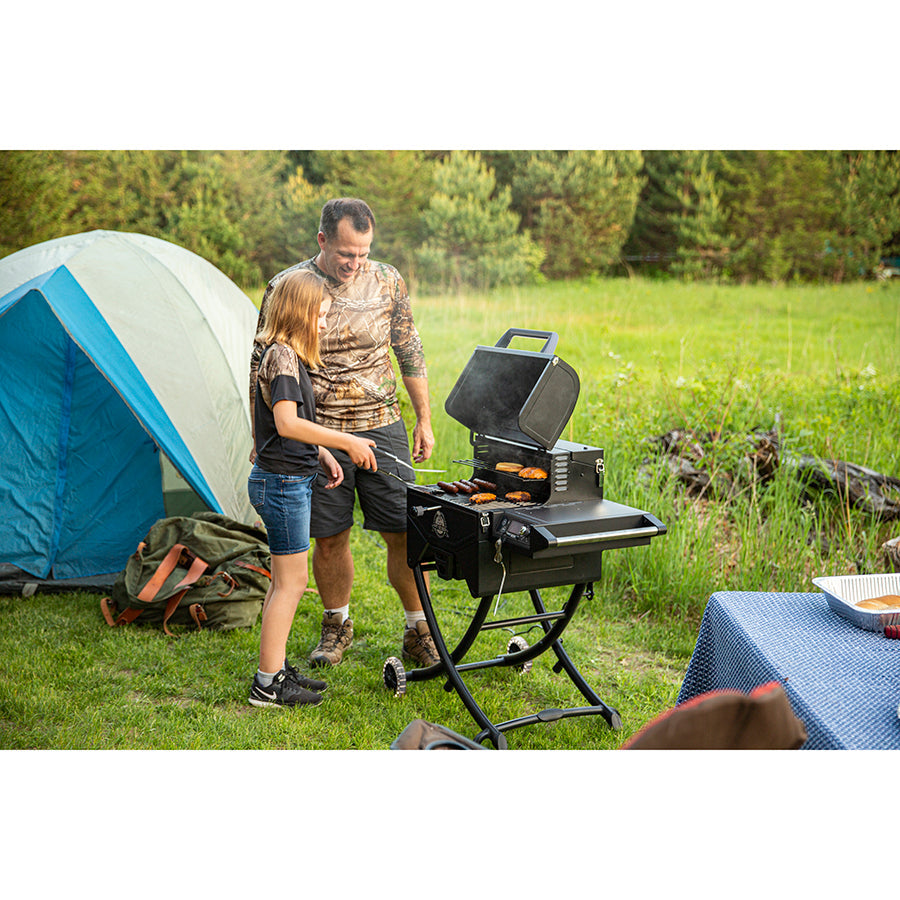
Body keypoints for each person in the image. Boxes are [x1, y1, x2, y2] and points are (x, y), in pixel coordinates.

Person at [249, 197, 439, 671]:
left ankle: (420, 629)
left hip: (382, 424)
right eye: (345, 253)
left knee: (404, 532)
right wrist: (260, 434)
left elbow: (408, 348)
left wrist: (424, 418)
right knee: (330, 537)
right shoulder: (290, 287)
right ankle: (336, 625)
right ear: (322, 240)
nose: (355, 263)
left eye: (363, 252)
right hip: (315, 433)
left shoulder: (388, 280)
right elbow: (260, 367)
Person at [247, 268, 378, 707]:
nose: (324, 324)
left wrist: (321, 453)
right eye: (320, 315)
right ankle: (267, 685)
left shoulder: (288, 356)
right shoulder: (283, 359)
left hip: (286, 477)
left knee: (282, 582)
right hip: (281, 484)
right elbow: (285, 422)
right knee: (291, 583)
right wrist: (345, 442)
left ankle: (276, 668)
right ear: (300, 313)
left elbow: (284, 424)